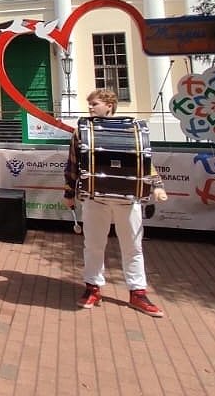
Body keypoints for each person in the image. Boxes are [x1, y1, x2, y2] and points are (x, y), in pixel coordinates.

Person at [63, 88, 169, 317]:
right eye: (89, 104)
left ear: (109, 105)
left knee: (132, 247)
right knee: (93, 245)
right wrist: (69, 192)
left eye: (95, 103)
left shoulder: (132, 129)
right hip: (95, 199)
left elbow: (143, 159)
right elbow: (73, 163)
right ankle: (92, 287)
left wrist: (157, 185)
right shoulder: (82, 131)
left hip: (127, 199)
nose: (90, 107)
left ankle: (137, 293)